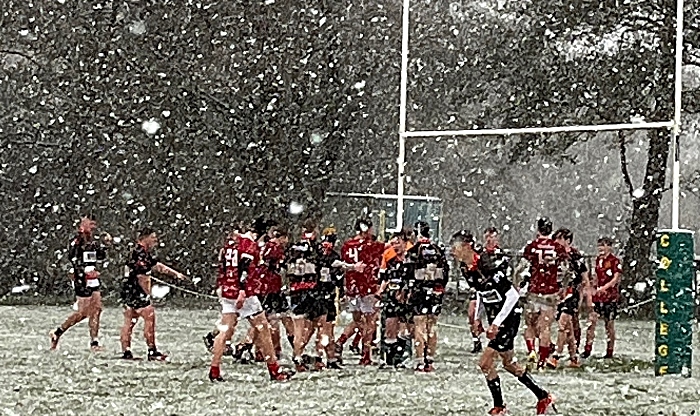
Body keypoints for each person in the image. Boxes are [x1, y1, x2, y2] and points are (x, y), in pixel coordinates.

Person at [451, 232, 555, 416]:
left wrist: (497, 323)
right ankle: (543, 396)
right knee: (509, 364)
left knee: (484, 362)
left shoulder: (487, 263)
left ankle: (499, 407)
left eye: (456, 246)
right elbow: (480, 293)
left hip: (508, 317)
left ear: (467, 246)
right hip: (496, 317)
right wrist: (478, 318)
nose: (453, 251)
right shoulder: (465, 268)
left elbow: (512, 296)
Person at [208, 218, 293, 382]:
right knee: (264, 329)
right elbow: (245, 267)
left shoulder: (230, 245)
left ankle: (214, 370)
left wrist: (222, 285)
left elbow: (223, 267)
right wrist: (241, 290)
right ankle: (274, 371)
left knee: (225, 331)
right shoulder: (248, 244)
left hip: (228, 290)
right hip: (244, 292)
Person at [120, 228, 189, 361]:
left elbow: (156, 265)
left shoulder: (139, 253)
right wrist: (148, 295)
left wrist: (175, 274)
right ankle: (152, 351)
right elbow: (142, 277)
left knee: (129, 320)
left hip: (128, 290)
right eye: (153, 237)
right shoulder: (140, 254)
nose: (155, 241)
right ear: (144, 238)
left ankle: (126, 351)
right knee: (149, 318)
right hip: (136, 290)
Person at [50, 217, 111, 351]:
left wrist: (105, 245)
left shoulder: (92, 242)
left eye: (94, 224)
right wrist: (85, 272)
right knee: (82, 313)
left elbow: (99, 256)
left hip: (93, 279)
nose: (93, 227)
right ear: (82, 226)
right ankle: (58, 332)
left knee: (97, 309)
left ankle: (94, 342)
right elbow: (74, 260)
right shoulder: (77, 242)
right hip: (82, 279)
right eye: (90, 224)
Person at [335, 217, 384, 365]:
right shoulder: (370, 245)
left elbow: (343, 264)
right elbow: (388, 248)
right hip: (367, 287)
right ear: (366, 229)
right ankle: (365, 355)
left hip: (352, 287)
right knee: (370, 321)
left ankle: (341, 341)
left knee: (358, 320)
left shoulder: (347, 245)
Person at [522, 217, 569, 369]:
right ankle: (542, 362)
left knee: (529, 324)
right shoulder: (557, 248)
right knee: (545, 328)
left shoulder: (531, 246)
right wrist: (562, 286)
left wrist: (519, 284)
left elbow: (521, 268)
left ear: (538, 229)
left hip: (534, 291)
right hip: (550, 293)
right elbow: (566, 270)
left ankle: (532, 350)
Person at [406, 221, 449, 372]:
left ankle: (419, 360)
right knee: (432, 325)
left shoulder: (413, 251)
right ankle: (429, 360)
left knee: (419, 325)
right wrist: (439, 287)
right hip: (436, 291)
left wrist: (408, 290)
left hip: (419, 291)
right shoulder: (438, 250)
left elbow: (408, 273)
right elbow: (445, 273)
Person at [547, 228, 588, 368]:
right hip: (558, 295)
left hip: (572, 293)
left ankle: (556, 356)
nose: (556, 243)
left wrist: (585, 297)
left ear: (567, 241)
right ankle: (574, 357)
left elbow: (584, 277)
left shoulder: (575, 256)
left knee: (563, 323)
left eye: (559, 239)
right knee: (568, 329)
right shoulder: (554, 257)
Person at [582, 237, 622, 359]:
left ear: (609, 247)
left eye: (603, 245)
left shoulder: (615, 261)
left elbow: (616, 279)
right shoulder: (598, 260)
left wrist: (604, 288)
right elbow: (596, 277)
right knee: (591, 321)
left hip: (610, 297)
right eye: (599, 246)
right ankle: (587, 349)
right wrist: (593, 287)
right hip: (598, 298)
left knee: (609, 324)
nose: (600, 248)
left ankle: (609, 351)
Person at [315, 226, 348, 369]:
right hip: (325, 294)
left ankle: (327, 356)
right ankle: (324, 357)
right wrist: (341, 289)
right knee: (326, 328)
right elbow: (338, 276)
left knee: (323, 328)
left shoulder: (316, 254)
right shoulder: (332, 257)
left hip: (317, 293)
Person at [377, 231, 412, 367]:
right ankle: (388, 356)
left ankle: (405, 355)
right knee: (389, 325)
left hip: (407, 298)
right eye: (392, 244)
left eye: (397, 243)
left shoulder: (412, 259)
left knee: (406, 327)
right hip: (391, 297)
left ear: (405, 243)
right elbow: (384, 278)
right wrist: (380, 291)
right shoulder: (389, 258)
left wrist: (406, 291)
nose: (395, 246)